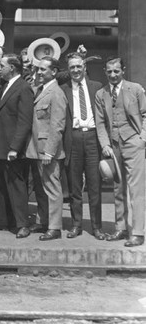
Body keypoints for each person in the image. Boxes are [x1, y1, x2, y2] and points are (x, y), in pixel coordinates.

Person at [95, 57, 146, 247]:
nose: (113, 75)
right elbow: (100, 122)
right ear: (105, 72)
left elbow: (145, 113)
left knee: (136, 190)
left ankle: (138, 232)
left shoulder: (135, 89)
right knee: (118, 187)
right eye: (109, 72)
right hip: (113, 144)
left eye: (116, 71)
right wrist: (105, 144)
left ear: (123, 70)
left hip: (133, 142)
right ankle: (121, 227)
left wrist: (142, 138)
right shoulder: (101, 94)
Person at [0, 54, 33, 238]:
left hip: (12, 146)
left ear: (12, 68)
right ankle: (1, 219)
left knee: (16, 185)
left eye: (2, 65)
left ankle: (22, 224)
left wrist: (15, 147)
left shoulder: (24, 88)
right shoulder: (4, 85)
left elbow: (24, 121)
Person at [60, 52, 105, 240]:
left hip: (93, 137)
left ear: (85, 68)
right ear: (68, 70)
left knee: (95, 186)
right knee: (74, 186)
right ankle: (76, 225)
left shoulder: (97, 87)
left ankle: (97, 227)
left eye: (79, 66)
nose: (76, 70)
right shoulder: (63, 89)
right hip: (74, 138)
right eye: (72, 67)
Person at [26, 57, 67, 241]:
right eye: (38, 69)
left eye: (43, 69)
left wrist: (50, 151)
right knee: (41, 188)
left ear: (54, 71)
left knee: (52, 188)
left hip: (47, 150)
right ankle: (43, 221)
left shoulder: (56, 93)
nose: (39, 72)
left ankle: (55, 227)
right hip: (36, 148)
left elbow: (57, 125)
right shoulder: (41, 90)